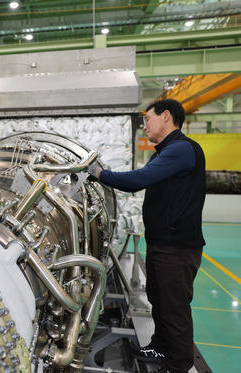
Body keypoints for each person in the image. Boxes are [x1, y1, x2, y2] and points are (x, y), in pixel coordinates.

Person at [88, 99, 206, 373]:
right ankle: (160, 345)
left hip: (176, 248)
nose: (144, 125)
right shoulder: (165, 151)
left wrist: (98, 173)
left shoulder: (181, 150)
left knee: (174, 309)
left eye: (147, 119)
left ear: (166, 116)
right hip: (162, 244)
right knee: (159, 301)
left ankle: (177, 365)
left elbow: (137, 180)